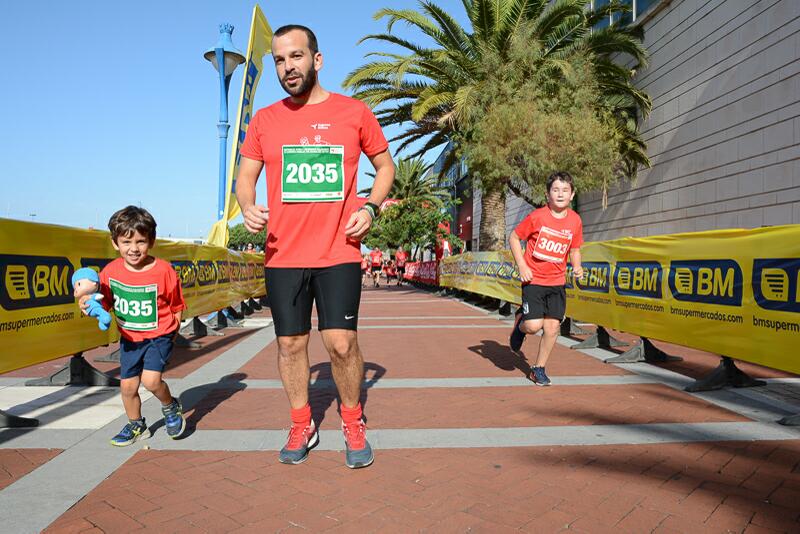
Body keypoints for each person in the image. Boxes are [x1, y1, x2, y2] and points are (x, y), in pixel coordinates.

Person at [235, 24, 395, 468]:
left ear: (317, 60)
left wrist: (371, 208)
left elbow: (385, 166)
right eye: (280, 60)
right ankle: (301, 421)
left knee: (341, 344)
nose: (288, 67)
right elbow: (244, 181)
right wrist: (248, 207)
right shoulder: (264, 120)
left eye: (296, 57)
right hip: (282, 254)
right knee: (290, 346)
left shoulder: (354, 113)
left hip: (338, 251)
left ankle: (351, 418)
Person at [81, 206, 186, 446]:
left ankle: (170, 406)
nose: (134, 248)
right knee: (127, 386)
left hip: (159, 337)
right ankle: (136, 424)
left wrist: (174, 329)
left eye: (141, 241)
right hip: (129, 340)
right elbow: (104, 303)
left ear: (152, 241)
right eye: (126, 242)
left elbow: (177, 304)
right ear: (115, 243)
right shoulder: (110, 271)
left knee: (150, 381)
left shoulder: (164, 270)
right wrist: (89, 306)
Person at [508, 172, 584, 386]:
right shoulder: (538, 216)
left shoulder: (575, 220)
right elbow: (514, 237)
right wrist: (522, 265)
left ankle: (538, 369)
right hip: (534, 280)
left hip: (557, 283)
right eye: (555, 190)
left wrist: (577, 267)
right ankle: (520, 324)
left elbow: (575, 249)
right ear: (547, 194)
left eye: (565, 190)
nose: (560, 194)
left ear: (572, 194)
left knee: (552, 328)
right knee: (533, 326)